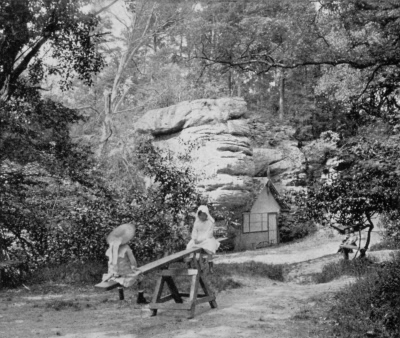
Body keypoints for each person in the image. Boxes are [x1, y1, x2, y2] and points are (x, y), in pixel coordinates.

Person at [103, 223, 148, 304]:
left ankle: (121, 297)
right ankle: (140, 297)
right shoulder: (126, 248)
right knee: (141, 276)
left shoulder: (111, 248)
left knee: (119, 273)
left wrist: (114, 271)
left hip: (113, 275)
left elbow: (110, 262)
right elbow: (133, 262)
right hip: (125, 275)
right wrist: (134, 268)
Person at [186, 205, 220, 272]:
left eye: (204, 215)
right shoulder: (197, 223)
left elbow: (209, 234)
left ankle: (210, 266)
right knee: (189, 245)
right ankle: (191, 264)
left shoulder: (210, 222)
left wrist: (202, 239)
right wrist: (195, 239)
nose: (202, 217)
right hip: (198, 238)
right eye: (200, 215)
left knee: (210, 245)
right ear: (198, 215)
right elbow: (194, 232)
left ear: (207, 214)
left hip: (206, 238)